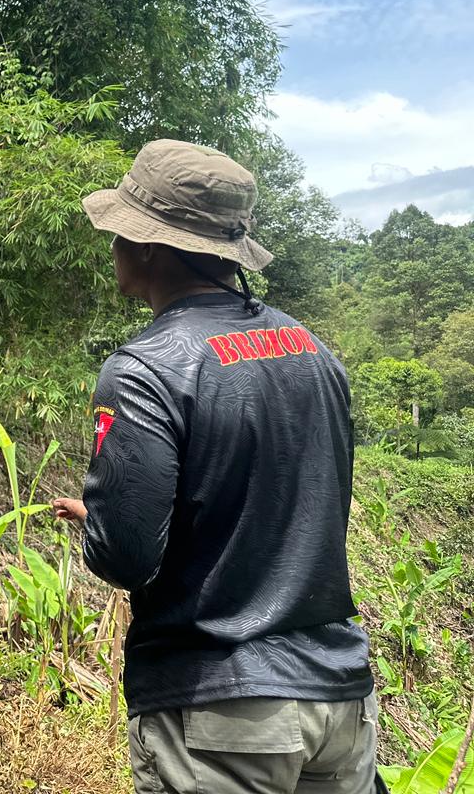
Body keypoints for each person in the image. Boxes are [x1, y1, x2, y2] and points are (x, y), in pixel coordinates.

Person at [51, 139, 376, 794]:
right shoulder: (314, 352)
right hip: (340, 698)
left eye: (120, 229)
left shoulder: (144, 369)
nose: (113, 243)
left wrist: (105, 525)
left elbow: (126, 559)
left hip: (221, 711)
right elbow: (281, 504)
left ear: (149, 246)